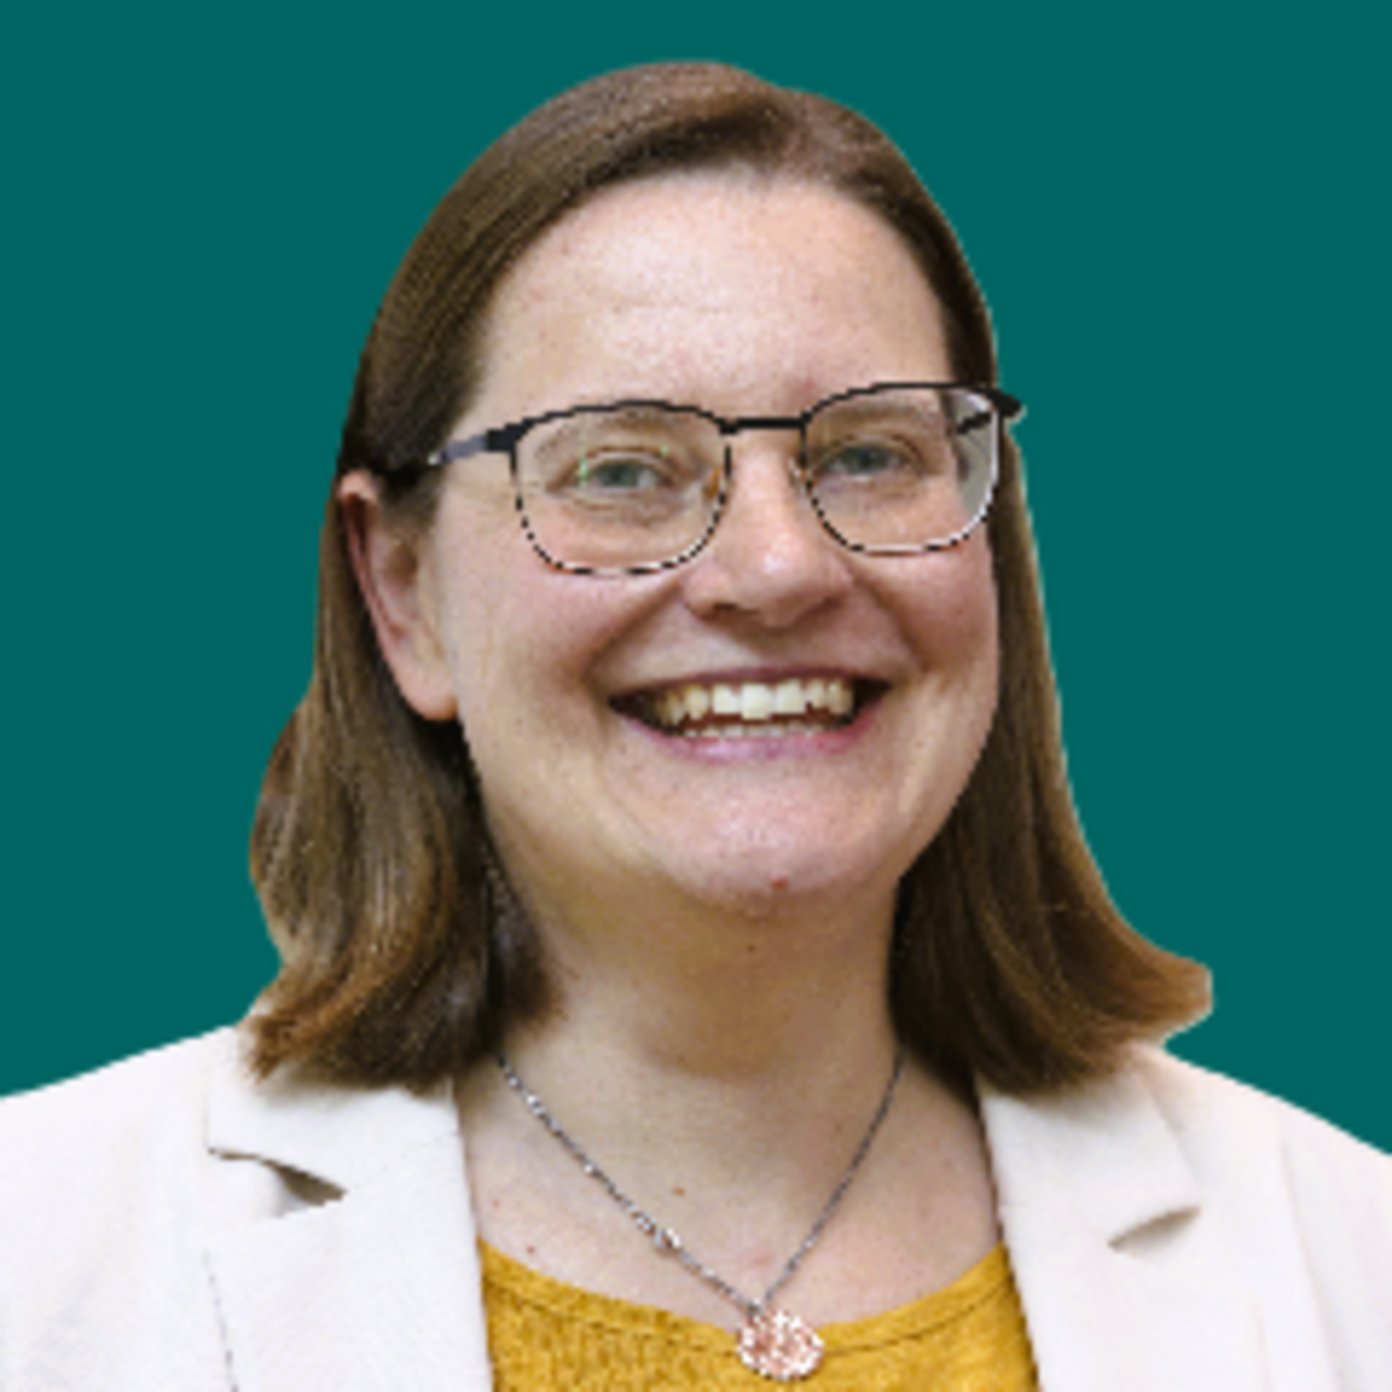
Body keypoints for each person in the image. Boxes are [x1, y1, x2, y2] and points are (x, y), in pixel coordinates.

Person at [1, 62, 1388, 1391]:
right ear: (403, 592)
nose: (779, 568)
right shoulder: (42, 1259)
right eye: (620, 469)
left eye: (871, 454)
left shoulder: (1350, 1257)